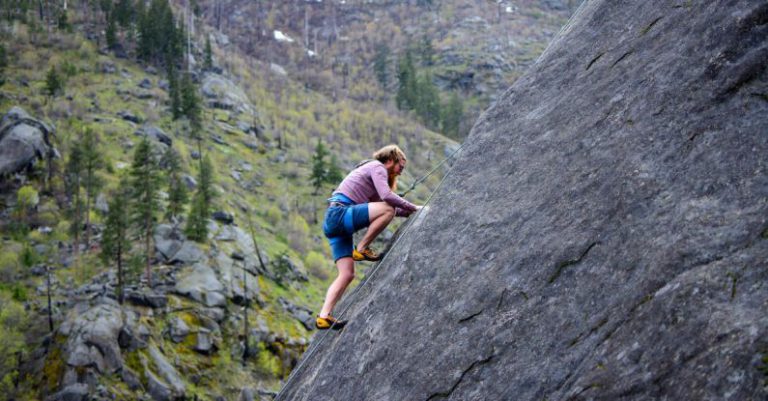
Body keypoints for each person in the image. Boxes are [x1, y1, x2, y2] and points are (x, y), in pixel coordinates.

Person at [316, 145, 421, 330]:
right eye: (400, 167)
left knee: (347, 274)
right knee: (387, 207)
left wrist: (412, 211)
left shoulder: (369, 176)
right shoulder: (377, 167)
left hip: (334, 222)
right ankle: (362, 248)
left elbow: (383, 207)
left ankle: (324, 316)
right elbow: (387, 198)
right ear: (390, 160)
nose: (401, 173)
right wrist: (412, 207)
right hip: (340, 214)